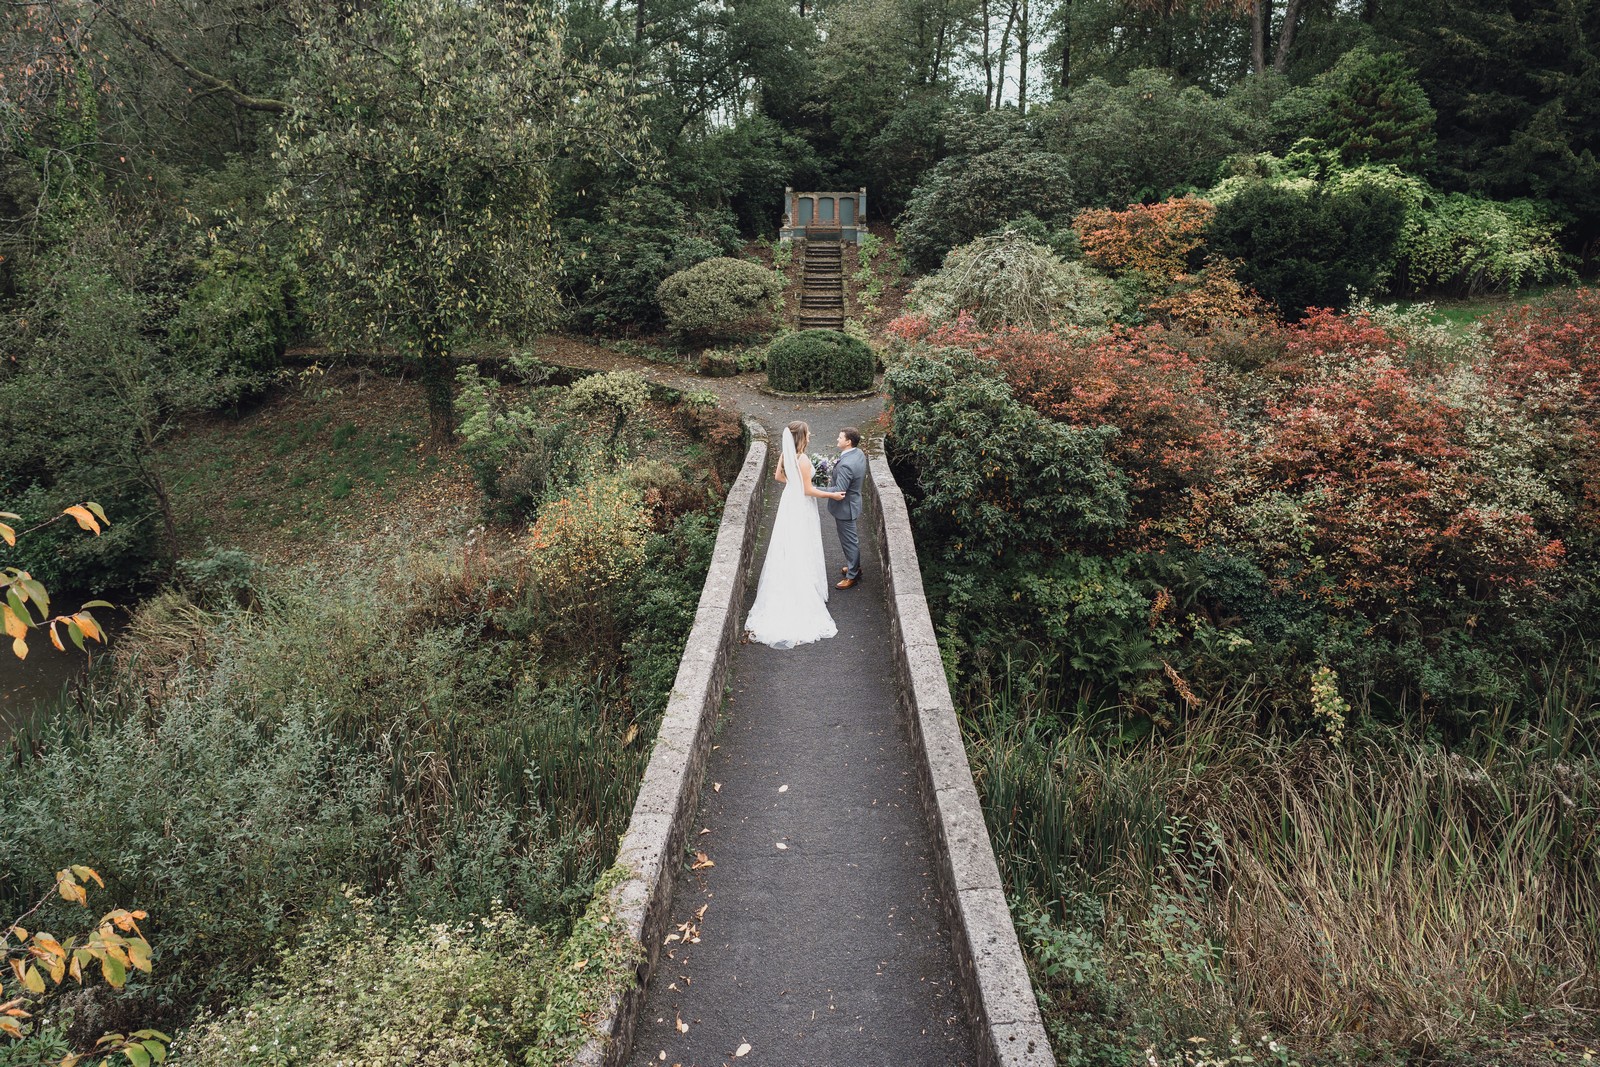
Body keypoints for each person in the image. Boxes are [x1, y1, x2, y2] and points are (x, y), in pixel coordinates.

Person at [744, 421, 846, 649]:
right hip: (801, 505)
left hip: (788, 501)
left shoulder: (786, 455)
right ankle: (801, 590)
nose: (811, 434)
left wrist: (795, 481)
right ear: (802, 437)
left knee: (786, 543)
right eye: (808, 432)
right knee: (802, 543)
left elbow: (778, 477)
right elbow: (807, 490)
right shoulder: (803, 459)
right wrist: (832, 495)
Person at [826, 427, 866, 589]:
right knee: (851, 540)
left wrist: (813, 490)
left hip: (845, 509)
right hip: (853, 502)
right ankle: (854, 566)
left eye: (840, 437)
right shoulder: (858, 454)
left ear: (848, 442)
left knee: (849, 542)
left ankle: (852, 575)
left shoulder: (846, 465)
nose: (837, 439)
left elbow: (839, 491)